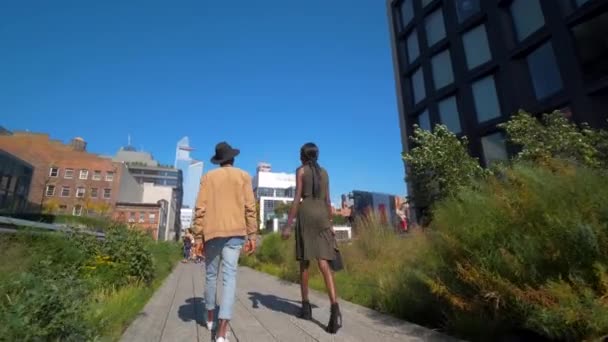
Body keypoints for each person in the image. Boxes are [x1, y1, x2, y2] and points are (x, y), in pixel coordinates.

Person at [193, 141, 257, 342]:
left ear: (218, 160)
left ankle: (210, 316)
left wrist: (197, 237)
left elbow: (200, 209)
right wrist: (252, 234)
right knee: (230, 278)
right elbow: (250, 208)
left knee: (211, 276)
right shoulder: (244, 177)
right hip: (236, 233)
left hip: (212, 233)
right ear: (233, 158)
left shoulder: (207, 178)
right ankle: (222, 330)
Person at [281, 142, 342, 334]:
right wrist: (330, 225)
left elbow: (297, 198)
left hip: (306, 214)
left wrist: (288, 224)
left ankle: (305, 308)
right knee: (324, 263)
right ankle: (335, 309)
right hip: (323, 216)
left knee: (305, 263)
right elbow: (328, 201)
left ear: (303, 156)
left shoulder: (300, 171)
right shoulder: (325, 173)